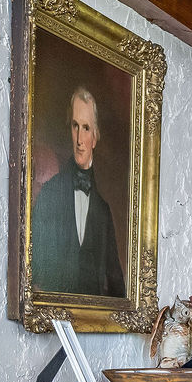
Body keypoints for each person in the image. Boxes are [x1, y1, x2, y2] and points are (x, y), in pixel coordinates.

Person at [30, 86, 125, 297]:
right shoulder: (49, 195)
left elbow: (118, 289)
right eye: (75, 126)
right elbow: (33, 276)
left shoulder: (103, 212)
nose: (80, 139)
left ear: (95, 137)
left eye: (86, 128)